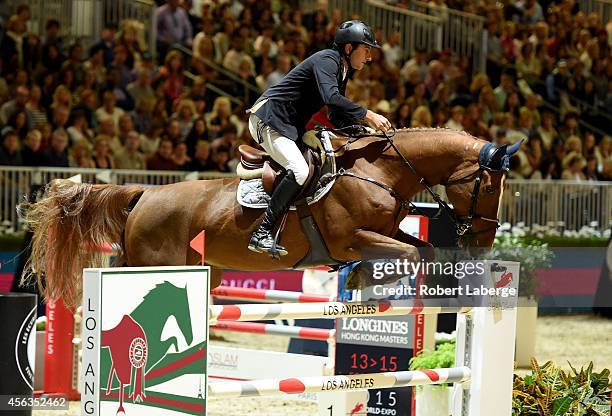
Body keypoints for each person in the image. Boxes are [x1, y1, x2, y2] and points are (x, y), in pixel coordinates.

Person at [246, 20, 391, 257]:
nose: (369, 57)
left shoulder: (342, 68)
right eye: (366, 50)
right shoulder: (327, 60)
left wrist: (358, 131)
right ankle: (261, 232)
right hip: (268, 118)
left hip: (288, 125)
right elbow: (331, 97)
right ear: (348, 48)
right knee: (300, 171)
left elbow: (334, 113)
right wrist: (368, 115)